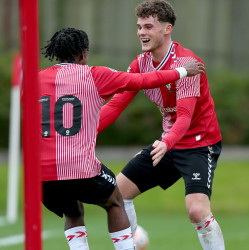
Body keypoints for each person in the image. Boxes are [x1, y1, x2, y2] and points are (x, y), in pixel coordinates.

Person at [38, 27, 204, 250]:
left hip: (42, 174)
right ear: (83, 53)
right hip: (79, 167)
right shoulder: (94, 75)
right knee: (115, 201)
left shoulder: (35, 81)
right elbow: (142, 80)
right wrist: (182, 72)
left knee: (72, 209)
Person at [98, 1, 225, 249]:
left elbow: (185, 118)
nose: (141, 33)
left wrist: (167, 142)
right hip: (167, 142)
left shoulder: (189, 64)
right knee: (117, 195)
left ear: (167, 29)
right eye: (139, 27)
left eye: (148, 26)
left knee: (197, 211)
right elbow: (115, 104)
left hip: (199, 143)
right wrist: (85, 132)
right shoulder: (141, 63)